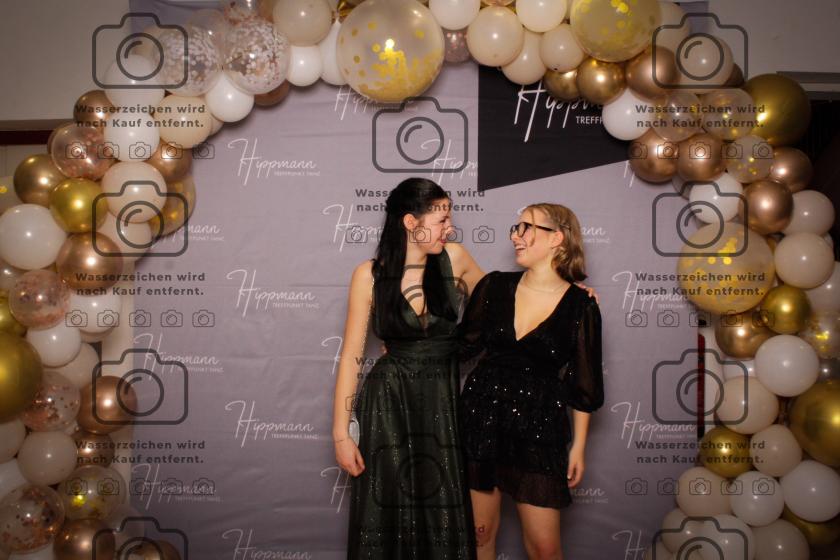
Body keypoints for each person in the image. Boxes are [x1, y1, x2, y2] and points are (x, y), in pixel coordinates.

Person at [332, 178, 485, 559]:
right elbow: (351, 356)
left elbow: (503, 305)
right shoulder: (368, 275)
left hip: (441, 403)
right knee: (388, 510)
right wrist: (340, 434)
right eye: (442, 219)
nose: (450, 228)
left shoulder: (455, 258)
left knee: (442, 510)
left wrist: (567, 291)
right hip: (388, 405)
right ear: (410, 222)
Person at [457, 203, 605, 560]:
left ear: (557, 238)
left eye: (526, 228)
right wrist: (410, 342)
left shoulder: (581, 306)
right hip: (481, 420)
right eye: (516, 227)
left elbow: (584, 383)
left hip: (539, 430)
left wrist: (578, 447)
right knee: (479, 535)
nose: (515, 236)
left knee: (545, 549)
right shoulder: (494, 285)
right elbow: (461, 346)